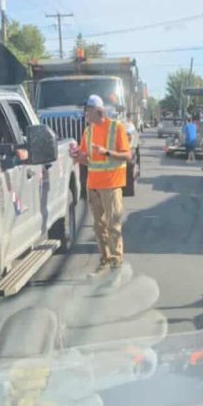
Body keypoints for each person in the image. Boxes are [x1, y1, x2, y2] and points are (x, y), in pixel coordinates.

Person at [70, 95, 133, 277]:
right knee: (98, 227)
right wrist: (76, 156)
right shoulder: (88, 131)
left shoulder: (115, 128)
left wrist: (106, 152)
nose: (85, 114)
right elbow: (85, 158)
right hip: (93, 185)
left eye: (88, 111)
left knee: (113, 225)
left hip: (112, 185)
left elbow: (127, 156)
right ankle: (104, 260)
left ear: (98, 111)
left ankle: (116, 263)